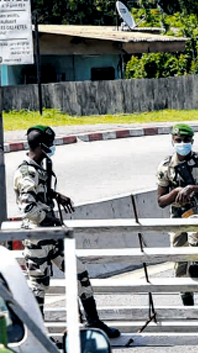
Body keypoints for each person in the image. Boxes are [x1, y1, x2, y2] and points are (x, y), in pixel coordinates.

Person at [13, 125, 120, 338]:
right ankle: (38, 336)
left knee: (79, 274)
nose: (52, 149)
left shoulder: (39, 167)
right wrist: (51, 219)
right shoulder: (26, 172)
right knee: (38, 287)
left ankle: (94, 322)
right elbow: (28, 208)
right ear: (41, 147)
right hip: (37, 239)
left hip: (52, 237)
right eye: (49, 145)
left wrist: (54, 195)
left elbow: (39, 191)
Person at [156, 124, 198, 306]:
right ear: (172, 141)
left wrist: (192, 188)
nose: (182, 144)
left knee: (195, 235)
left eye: (186, 141)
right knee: (179, 264)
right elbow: (161, 201)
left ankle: (197, 264)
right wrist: (176, 192)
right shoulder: (166, 166)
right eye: (178, 141)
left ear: (192, 141)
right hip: (177, 217)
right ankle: (187, 302)